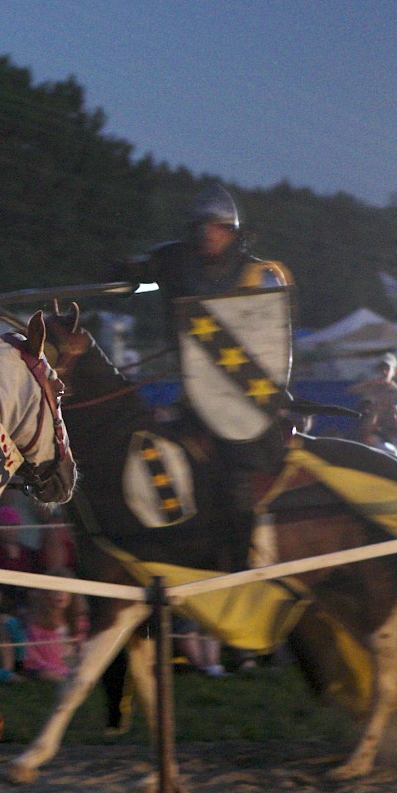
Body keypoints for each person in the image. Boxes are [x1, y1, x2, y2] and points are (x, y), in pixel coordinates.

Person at [111, 183, 294, 569]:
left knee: (239, 480)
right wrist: (130, 274)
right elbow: (141, 281)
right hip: (196, 401)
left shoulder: (260, 276)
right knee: (153, 460)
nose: (210, 235)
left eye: (219, 228)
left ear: (233, 232)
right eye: (203, 227)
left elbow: (271, 341)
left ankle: (240, 564)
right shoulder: (175, 264)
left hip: (247, 405)